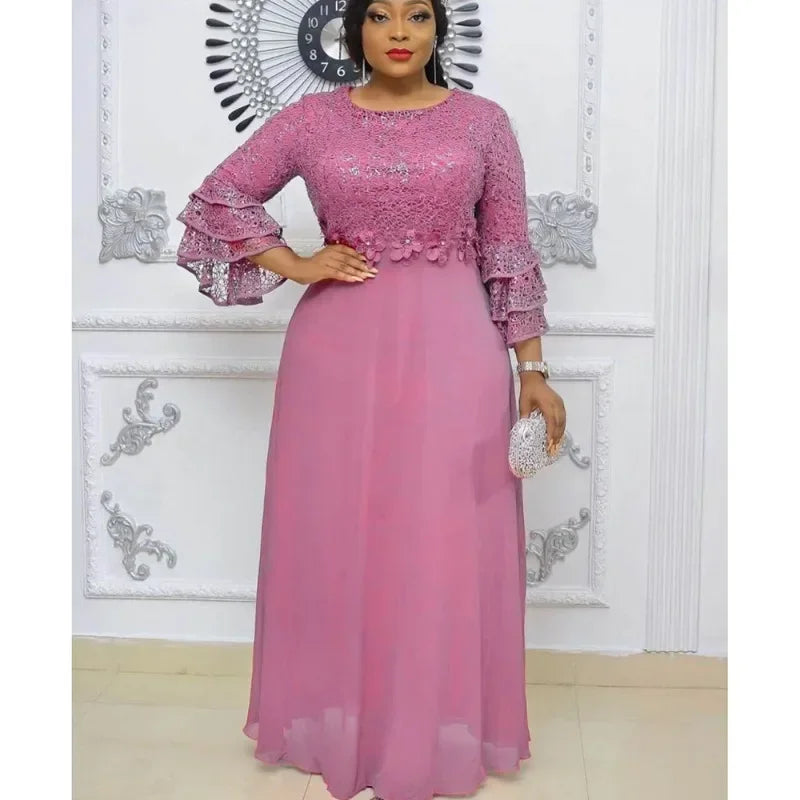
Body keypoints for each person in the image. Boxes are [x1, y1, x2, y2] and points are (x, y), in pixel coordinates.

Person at [174, 1, 566, 798]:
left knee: (446, 533)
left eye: (417, 15)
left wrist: (533, 368)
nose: (399, 31)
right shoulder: (311, 121)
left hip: (456, 347)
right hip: (337, 354)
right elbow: (219, 197)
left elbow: (508, 245)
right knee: (339, 533)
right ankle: (347, 727)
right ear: (354, 30)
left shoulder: (484, 124)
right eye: (380, 15)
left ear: (438, 30)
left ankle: (429, 728)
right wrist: (296, 262)